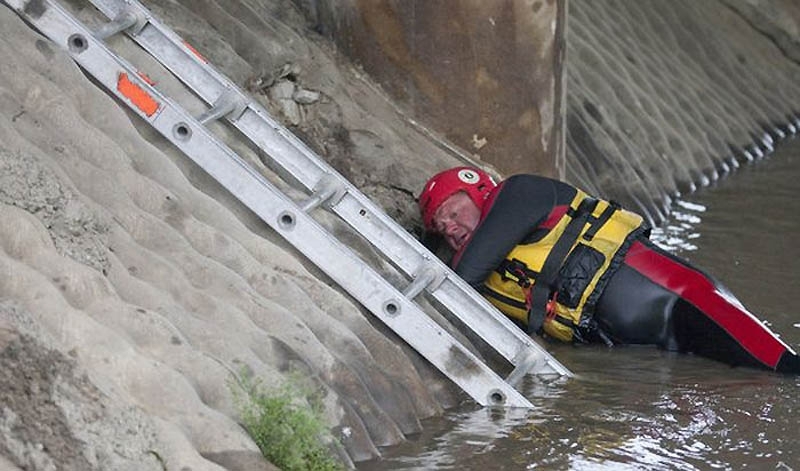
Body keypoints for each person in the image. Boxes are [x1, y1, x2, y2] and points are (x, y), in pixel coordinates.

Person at [418, 166, 800, 373]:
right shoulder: (494, 264)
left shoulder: (520, 193)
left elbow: (461, 278)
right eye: (440, 226)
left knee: (786, 371)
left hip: (682, 301)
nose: (449, 227)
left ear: (480, 191)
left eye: (453, 211)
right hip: (642, 347)